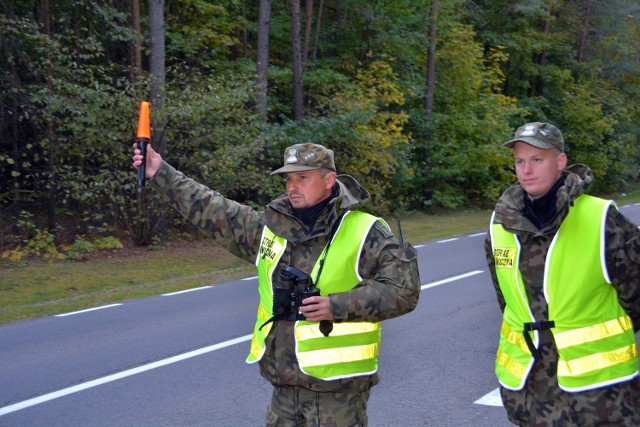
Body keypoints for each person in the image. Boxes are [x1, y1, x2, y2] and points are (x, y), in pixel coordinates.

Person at [132, 141, 421, 426]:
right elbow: (213, 208)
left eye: (303, 178)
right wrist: (161, 172)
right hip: (285, 388)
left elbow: (403, 290)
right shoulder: (270, 229)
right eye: (289, 179)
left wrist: (336, 306)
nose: (292, 186)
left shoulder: (365, 230)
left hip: (338, 392)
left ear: (329, 180)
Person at [484, 121, 640, 426]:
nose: (526, 169)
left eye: (537, 159)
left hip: (601, 397)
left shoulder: (601, 219)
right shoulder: (500, 225)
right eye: (520, 161)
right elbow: (508, 301)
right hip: (531, 392)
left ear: (561, 161)